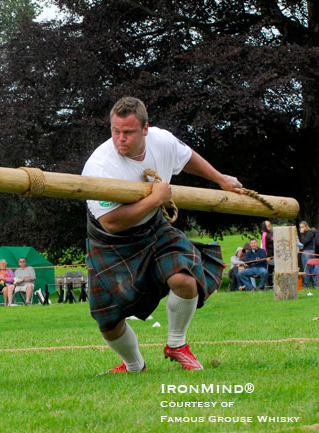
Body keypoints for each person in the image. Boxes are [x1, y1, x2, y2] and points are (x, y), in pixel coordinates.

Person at [82, 97, 239, 373]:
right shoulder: (100, 167)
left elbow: (187, 156)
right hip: (111, 241)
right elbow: (112, 223)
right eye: (115, 131)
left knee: (184, 277)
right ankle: (134, 366)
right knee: (107, 319)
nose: (120, 138)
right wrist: (156, 200)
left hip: (153, 228)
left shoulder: (161, 141)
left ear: (145, 129)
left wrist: (220, 179)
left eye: (128, 132)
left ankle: (177, 344)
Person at [298, 221, 316, 288]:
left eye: (302, 227)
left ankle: (306, 285)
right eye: (300, 227)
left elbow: (304, 242)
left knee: (307, 268)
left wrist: (302, 234)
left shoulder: (309, 232)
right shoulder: (309, 232)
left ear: (306, 226)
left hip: (307, 252)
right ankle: (314, 284)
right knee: (311, 268)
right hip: (310, 251)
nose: (301, 228)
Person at [260, 220, 275, 288]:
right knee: (270, 270)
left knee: (273, 270)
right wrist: (266, 256)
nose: (269, 226)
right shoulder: (264, 234)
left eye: (270, 224)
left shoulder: (272, 233)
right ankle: (270, 285)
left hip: (274, 254)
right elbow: (264, 246)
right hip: (269, 255)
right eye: (268, 225)